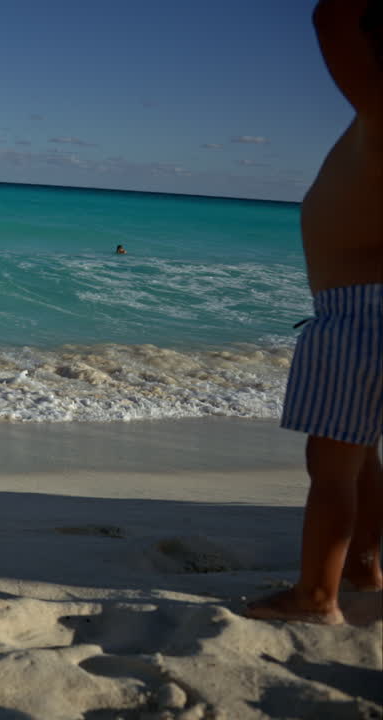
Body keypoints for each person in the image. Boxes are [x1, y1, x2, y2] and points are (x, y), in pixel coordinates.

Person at [245, 0, 382, 624]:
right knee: (361, 454)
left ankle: (316, 598)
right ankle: (362, 567)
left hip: (361, 315)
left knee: (331, 467)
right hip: (365, 309)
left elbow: (331, 17)